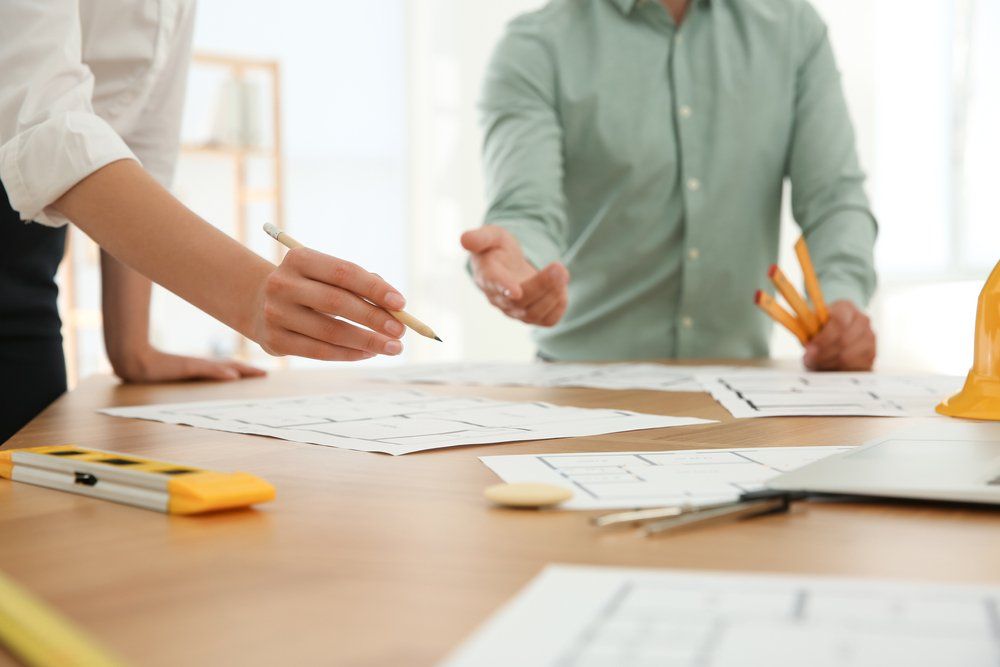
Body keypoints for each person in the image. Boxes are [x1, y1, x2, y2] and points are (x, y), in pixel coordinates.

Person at [0, 0, 408, 443]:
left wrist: (132, 347)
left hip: (30, 282)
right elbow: (41, 125)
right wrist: (251, 295)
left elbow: (139, 148)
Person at [463, 0, 878, 371]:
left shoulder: (793, 27)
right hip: (579, 385)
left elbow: (834, 198)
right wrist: (519, 266)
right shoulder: (536, 46)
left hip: (745, 388)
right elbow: (527, 210)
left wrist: (840, 304)